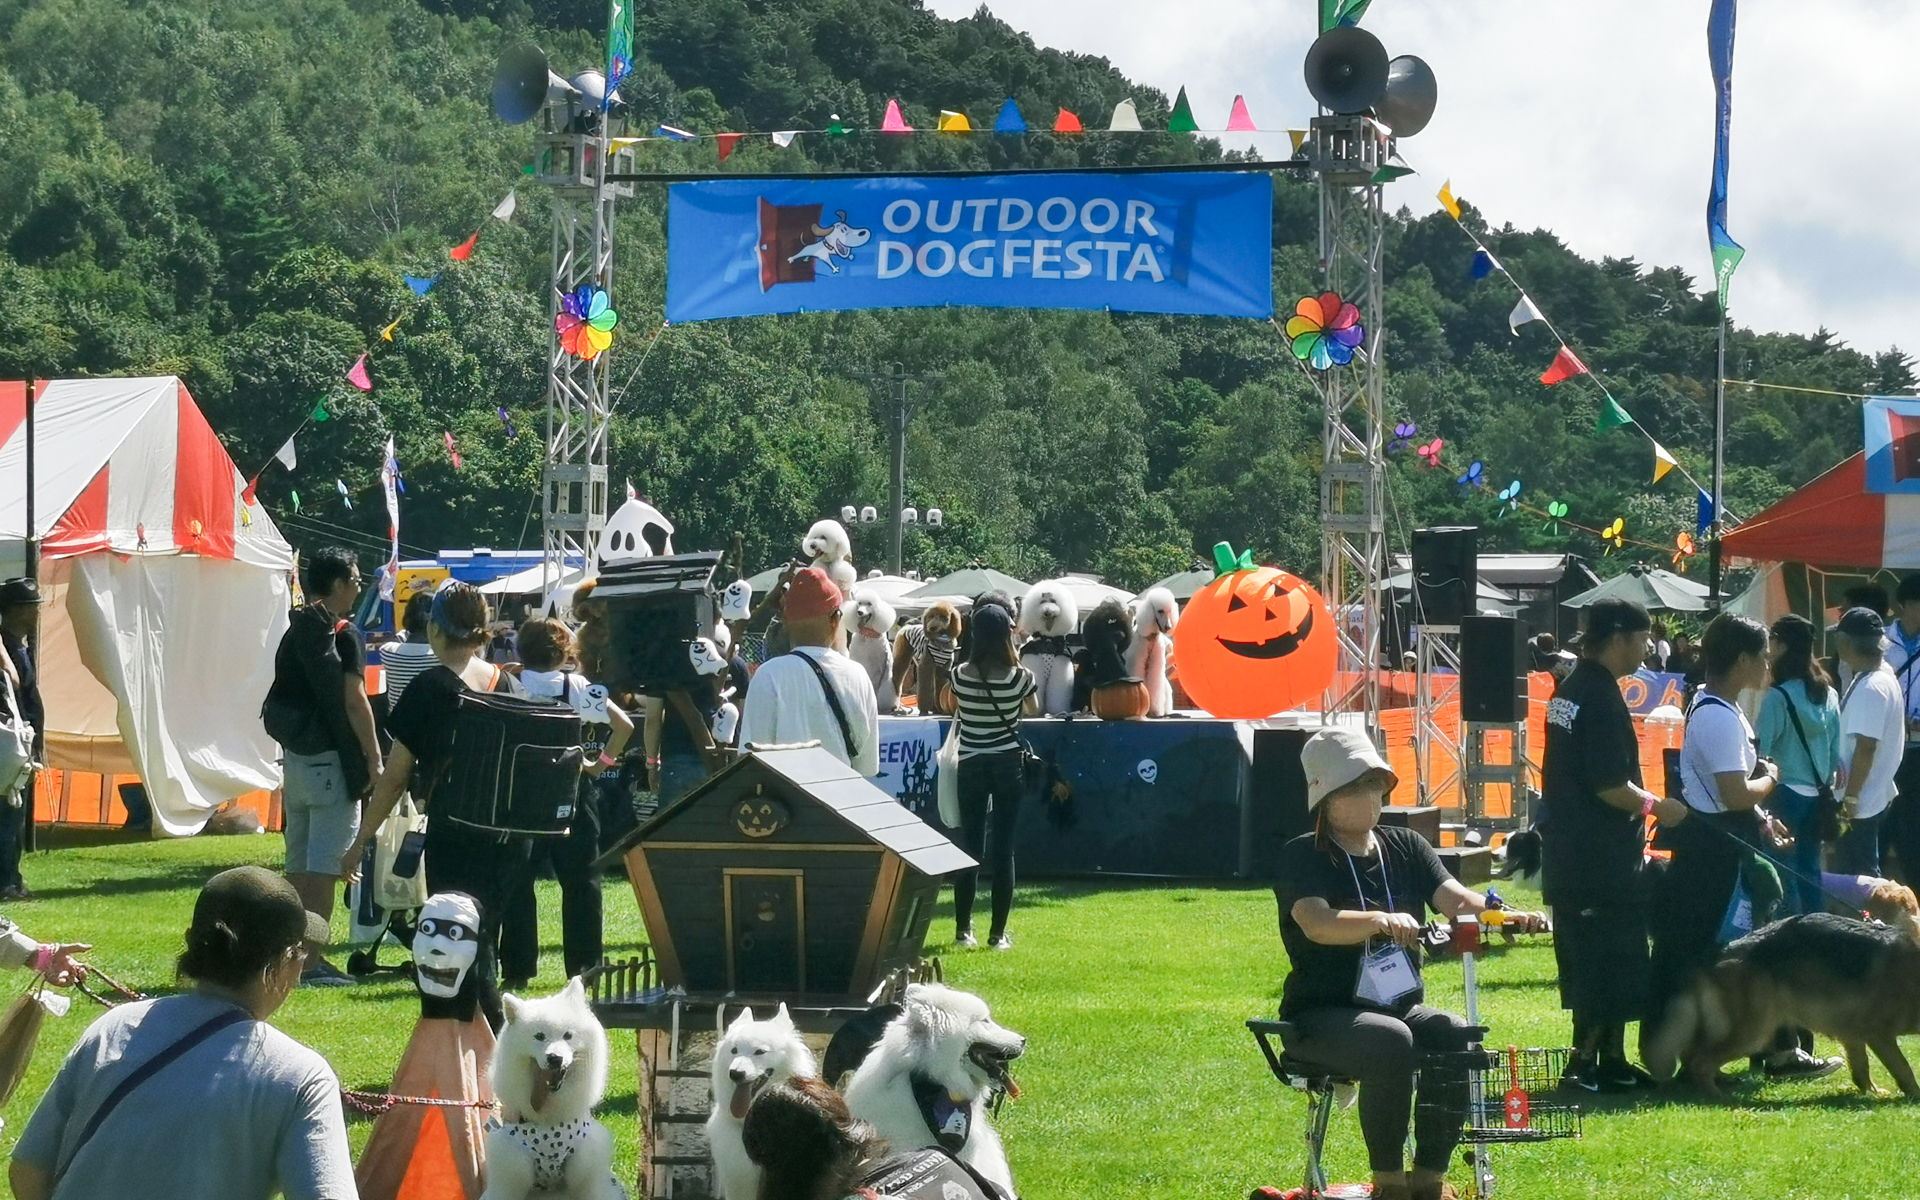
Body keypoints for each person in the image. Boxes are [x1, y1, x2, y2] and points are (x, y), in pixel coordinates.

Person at [1275, 728, 1545, 1200]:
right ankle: (1390, 1186)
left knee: (1454, 1031)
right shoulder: (1303, 854)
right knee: (1390, 1040)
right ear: (1326, 798)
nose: (1371, 796)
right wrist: (1378, 920)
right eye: (1356, 786)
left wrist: (1504, 914)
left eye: (1376, 783)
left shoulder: (1406, 846)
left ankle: (1428, 1182)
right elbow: (1316, 922)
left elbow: (1455, 899)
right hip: (1320, 1016)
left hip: (1398, 1007)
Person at [10, 866, 356, 1200]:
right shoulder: (300, 1075)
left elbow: (27, 1169)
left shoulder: (112, 1028)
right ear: (285, 961)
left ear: (193, 944)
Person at [1648, 614, 1828, 1076]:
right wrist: (1769, 779)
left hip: (1725, 851)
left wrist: (1763, 819)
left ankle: (1770, 1049)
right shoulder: (1718, 717)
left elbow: (1727, 793)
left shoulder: (1720, 709)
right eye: (1764, 657)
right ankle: (1767, 1052)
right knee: (1740, 956)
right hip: (1717, 863)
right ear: (1744, 659)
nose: (1769, 665)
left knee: (1742, 953)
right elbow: (1732, 794)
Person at [344, 581, 527, 1025]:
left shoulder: (429, 689)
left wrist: (360, 842)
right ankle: (485, 1045)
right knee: (481, 939)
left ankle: (480, 1046)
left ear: (435, 631)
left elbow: (394, 779)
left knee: (456, 939)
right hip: (508, 837)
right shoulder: (510, 684)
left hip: (455, 831)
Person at [1538, 598, 1689, 1091]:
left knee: (1601, 957)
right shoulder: (1599, 697)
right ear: (1620, 637)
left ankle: (1611, 1061)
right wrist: (1657, 807)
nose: (1648, 648)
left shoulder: (1574, 686)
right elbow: (1608, 785)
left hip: (1574, 853)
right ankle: (1585, 1064)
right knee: (1607, 958)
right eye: (1644, 638)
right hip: (1598, 857)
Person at [262, 548, 381, 985]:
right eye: (354, 579)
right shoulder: (345, 634)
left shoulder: (297, 629)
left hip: (296, 758)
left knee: (298, 866)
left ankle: (289, 955)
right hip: (331, 762)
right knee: (326, 869)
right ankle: (310, 962)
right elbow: (355, 699)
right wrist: (373, 756)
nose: (358, 586)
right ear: (337, 584)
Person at [500, 617, 633, 986]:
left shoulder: (507, 683)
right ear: (564, 652)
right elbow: (624, 727)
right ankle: (584, 969)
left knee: (518, 884)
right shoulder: (577, 685)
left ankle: (516, 969)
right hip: (572, 791)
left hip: (521, 795)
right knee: (582, 883)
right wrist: (597, 766)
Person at [947, 602, 1038, 951]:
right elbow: (1033, 710)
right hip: (1007, 764)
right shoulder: (1021, 678)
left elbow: (955, 706)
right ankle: (998, 934)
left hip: (970, 763)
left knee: (969, 848)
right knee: (1004, 850)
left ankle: (962, 931)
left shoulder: (959, 674)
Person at [737, 569, 880, 777]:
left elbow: (750, 761)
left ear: (785, 621)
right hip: (843, 802)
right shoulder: (858, 675)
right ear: (835, 619)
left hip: (784, 804)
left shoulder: (768, 675)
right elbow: (867, 767)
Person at [1757, 615, 1841, 915]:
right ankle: (1815, 933)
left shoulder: (1777, 697)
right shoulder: (1828, 694)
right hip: (1819, 795)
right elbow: (1835, 749)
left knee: (1782, 871)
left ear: (1780, 644)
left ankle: (1789, 939)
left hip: (1784, 793)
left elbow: (1760, 753)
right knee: (1810, 870)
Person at [1836, 607, 1905, 875]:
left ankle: (1871, 919)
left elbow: (1866, 747)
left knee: (1860, 879)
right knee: (1859, 873)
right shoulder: (1881, 674)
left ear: (1846, 643)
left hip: (1860, 802)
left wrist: (1850, 800)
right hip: (1869, 795)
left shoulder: (1871, 687)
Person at [0, 578, 46, 899]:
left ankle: (11, 878)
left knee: (13, 817)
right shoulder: (5, 648)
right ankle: (5, 881)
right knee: (8, 816)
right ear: (14, 610)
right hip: (11, 743)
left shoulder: (19, 645)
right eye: (31, 608)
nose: (36, 614)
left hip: (23, 743)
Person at [1882, 575, 1920, 884]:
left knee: (1913, 831)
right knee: (1882, 823)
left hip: (1919, 750)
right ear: (1904, 605)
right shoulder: (1881, 643)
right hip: (1885, 749)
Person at [893, 602, 961, 716]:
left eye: (943, 618)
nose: (935, 622)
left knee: (943, 677)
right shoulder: (920, 638)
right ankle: (905, 703)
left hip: (945, 648)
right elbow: (923, 677)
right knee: (903, 673)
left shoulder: (951, 645)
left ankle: (939, 706)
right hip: (905, 637)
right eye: (931, 617)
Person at [379, 591, 439, 705]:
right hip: (434, 722)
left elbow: (401, 642)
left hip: (399, 721)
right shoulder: (442, 657)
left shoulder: (387, 652)